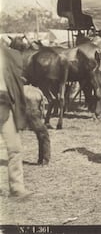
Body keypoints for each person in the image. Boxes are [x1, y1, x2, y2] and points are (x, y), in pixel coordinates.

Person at [0, 45, 33, 199]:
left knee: (15, 148)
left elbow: (17, 82)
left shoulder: (10, 55)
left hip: (5, 105)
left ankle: (17, 188)